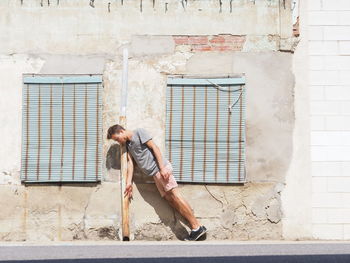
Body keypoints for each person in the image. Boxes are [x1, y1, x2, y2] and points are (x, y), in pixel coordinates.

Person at [107, 124, 207, 241]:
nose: (119, 142)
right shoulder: (128, 145)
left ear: (121, 131)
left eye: (117, 139)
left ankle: (196, 227)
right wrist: (129, 182)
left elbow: (155, 148)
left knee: (175, 196)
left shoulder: (139, 132)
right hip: (155, 175)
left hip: (160, 170)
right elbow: (130, 164)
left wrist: (162, 168)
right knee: (170, 199)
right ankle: (197, 226)